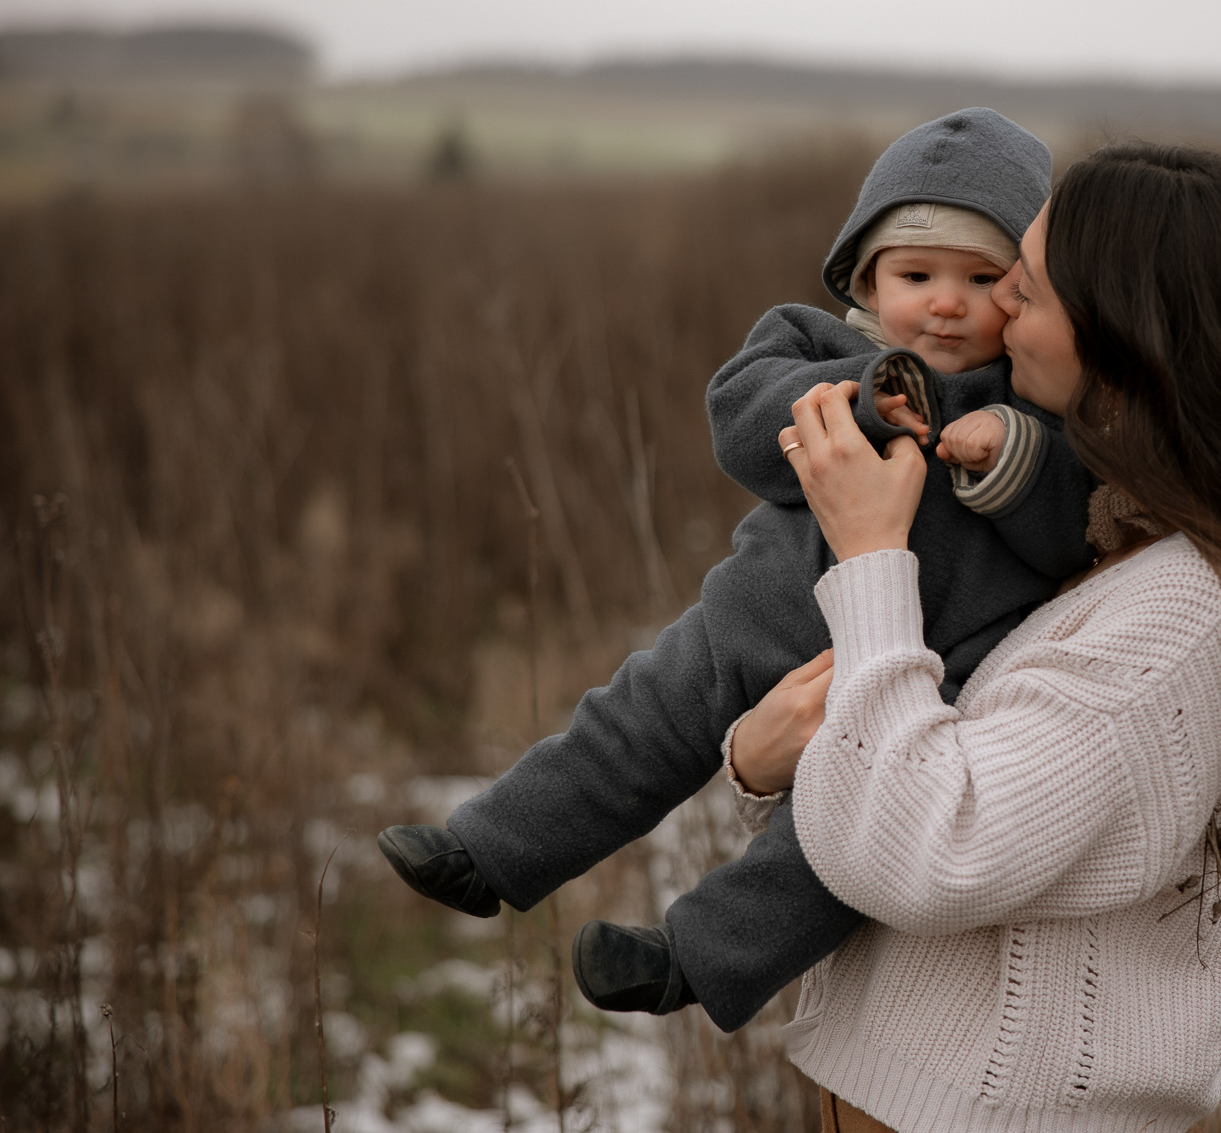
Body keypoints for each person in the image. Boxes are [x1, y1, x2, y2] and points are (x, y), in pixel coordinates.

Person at [729, 143, 1221, 1131]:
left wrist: (870, 556)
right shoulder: (1104, 540)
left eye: (1029, 283)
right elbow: (895, 766)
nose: (996, 298)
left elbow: (935, 849)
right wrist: (754, 758)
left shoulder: (1178, 616)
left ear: (1126, 338)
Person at [374, 109, 1098, 1031]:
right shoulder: (812, 347)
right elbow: (740, 425)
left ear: (1029, 289)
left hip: (920, 670)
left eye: (984, 278)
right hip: (749, 620)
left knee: (835, 845)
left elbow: (1067, 530)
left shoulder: (1030, 402)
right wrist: (863, 405)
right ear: (866, 276)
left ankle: (689, 958)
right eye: (917, 276)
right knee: (625, 727)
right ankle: (488, 853)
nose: (946, 303)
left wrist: (1006, 456)